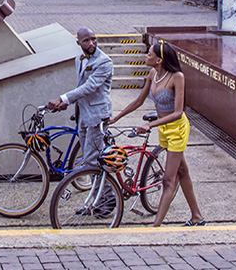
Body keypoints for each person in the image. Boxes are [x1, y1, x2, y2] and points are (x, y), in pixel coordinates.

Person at [109, 41, 204, 227]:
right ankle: (197, 217)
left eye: (150, 54)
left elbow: (178, 113)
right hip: (163, 128)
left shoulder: (177, 77)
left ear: (159, 60)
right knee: (182, 171)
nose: (146, 56)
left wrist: (150, 125)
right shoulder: (153, 74)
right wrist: (116, 118)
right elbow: (138, 100)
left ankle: (156, 226)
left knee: (169, 180)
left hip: (177, 129)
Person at [47, 27, 113, 174]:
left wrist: (62, 98)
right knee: (88, 158)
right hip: (83, 114)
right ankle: (98, 194)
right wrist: (66, 103)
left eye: (93, 39)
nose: (91, 43)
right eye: (86, 41)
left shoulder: (104, 62)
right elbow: (80, 86)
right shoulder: (79, 59)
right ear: (78, 43)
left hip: (97, 116)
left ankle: (107, 196)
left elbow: (89, 87)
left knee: (92, 160)